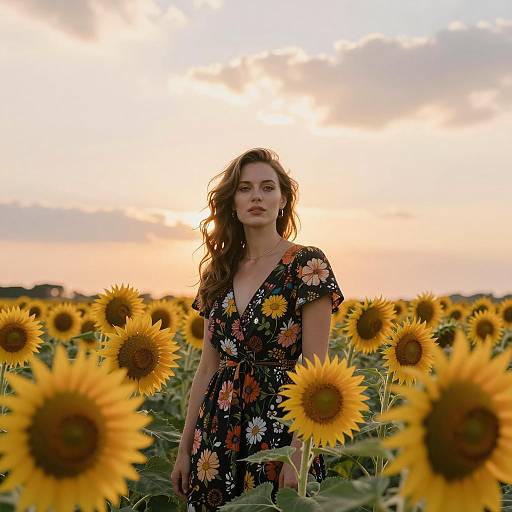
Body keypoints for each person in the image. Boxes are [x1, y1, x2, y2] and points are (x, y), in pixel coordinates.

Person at [170, 147, 344, 511]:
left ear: (283, 199)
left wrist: (298, 451)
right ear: (232, 202)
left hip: (279, 429)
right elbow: (206, 368)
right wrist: (185, 448)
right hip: (215, 433)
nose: (256, 197)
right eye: (246, 188)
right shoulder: (217, 273)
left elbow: (317, 370)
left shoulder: (306, 264)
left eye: (267, 187)